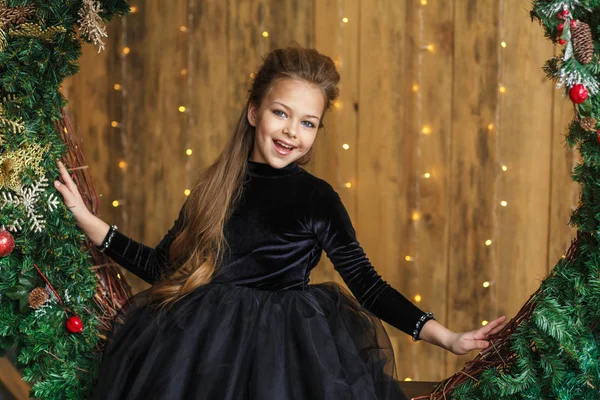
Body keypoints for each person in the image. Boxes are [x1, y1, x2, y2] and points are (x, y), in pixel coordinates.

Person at [53, 45, 506, 400]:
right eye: (281, 113)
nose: (292, 132)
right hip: (204, 355)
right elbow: (162, 269)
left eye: (308, 123)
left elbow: (368, 286)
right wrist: (90, 222)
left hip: (286, 358)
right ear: (254, 112)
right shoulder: (215, 187)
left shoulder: (316, 199)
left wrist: (448, 338)